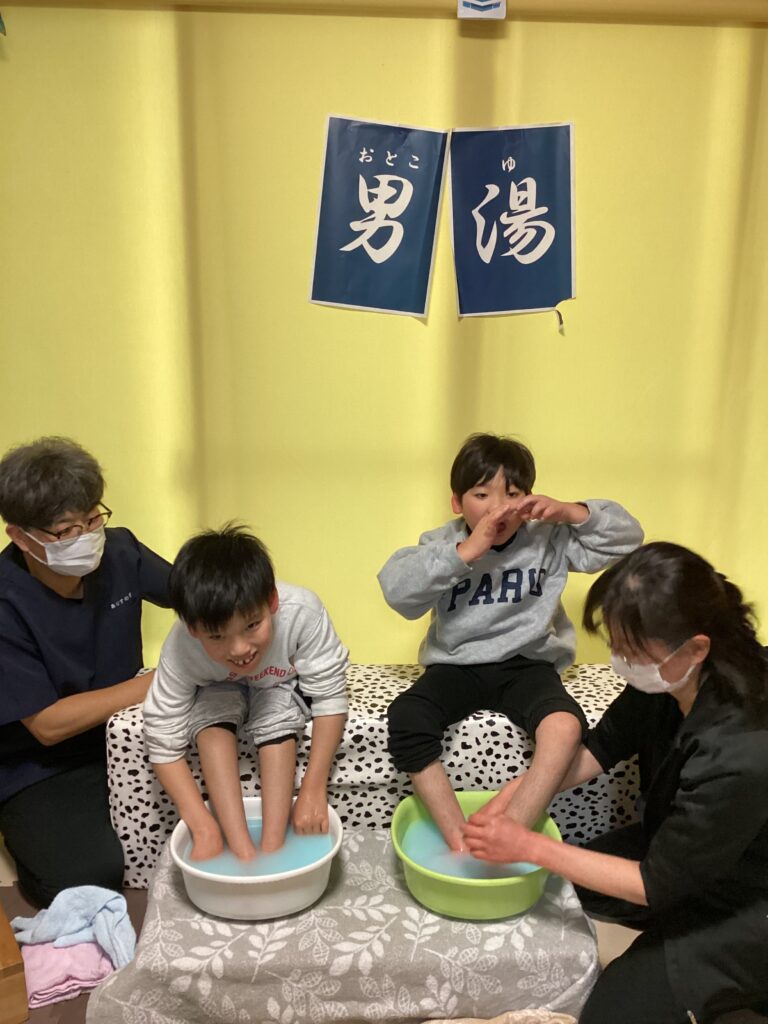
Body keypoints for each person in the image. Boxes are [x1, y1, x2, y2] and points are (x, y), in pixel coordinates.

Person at [464, 541, 768, 1024]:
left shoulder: (741, 747)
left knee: (613, 1010)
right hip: (681, 851)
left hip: (747, 898)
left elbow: (653, 884)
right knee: (560, 889)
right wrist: (517, 791)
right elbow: (600, 749)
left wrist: (528, 845)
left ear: (696, 648)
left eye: (632, 651)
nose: (619, 660)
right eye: (616, 644)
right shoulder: (669, 678)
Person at [378, 432, 643, 852]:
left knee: (565, 726)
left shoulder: (548, 537)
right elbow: (397, 591)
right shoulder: (442, 544)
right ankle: (458, 840)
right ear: (457, 502)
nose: (497, 507)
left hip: (527, 665)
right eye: (482, 494)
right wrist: (465, 552)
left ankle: (512, 833)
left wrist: (571, 512)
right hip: (455, 665)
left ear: (529, 499)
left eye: (513, 494)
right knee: (407, 716)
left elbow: (628, 540)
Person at [0, 436, 171, 906]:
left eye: (93, 519)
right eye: (66, 530)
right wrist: (154, 684)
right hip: (43, 763)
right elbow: (48, 725)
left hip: (128, 734)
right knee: (91, 876)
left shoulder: (121, 551)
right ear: (22, 537)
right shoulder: (7, 603)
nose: (87, 537)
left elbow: (198, 594)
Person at [143, 524, 348, 861]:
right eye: (217, 637)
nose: (239, 649)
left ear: (272, 602)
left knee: (277, 716)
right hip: (216, 686)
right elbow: (162, 737)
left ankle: (272, 848)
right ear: (193, 629)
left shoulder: (302, 611)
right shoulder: (181, 646)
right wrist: (202, 824)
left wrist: (313, 788)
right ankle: (242, 852)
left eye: (252, 625)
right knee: (210, 720)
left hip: (278, 684)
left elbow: (330, 697)